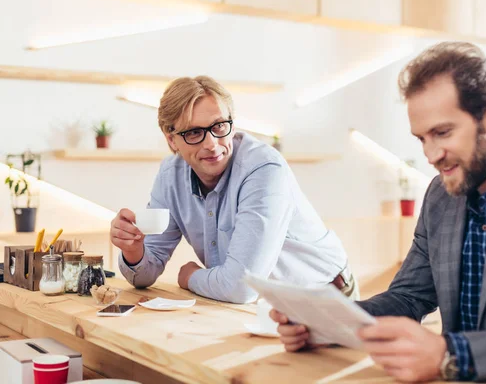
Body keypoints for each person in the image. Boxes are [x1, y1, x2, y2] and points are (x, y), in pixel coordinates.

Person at [270, 42, 486, 382]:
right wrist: (329, 322)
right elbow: (409, 298)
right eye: (421, 139)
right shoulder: (441, 194)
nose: (431, 154)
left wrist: (450, 354)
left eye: (442, 133)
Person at [110, 76, 357, 304]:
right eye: (194, 132)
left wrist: (190, 276)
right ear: (171, 139)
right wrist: (134, 251)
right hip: (256, 304)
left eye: (219, 126)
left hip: (324, 297)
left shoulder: (263, 170)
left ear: (232, 123)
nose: (212, 144)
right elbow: (144, 276)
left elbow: (241, 288)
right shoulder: (170, 176)